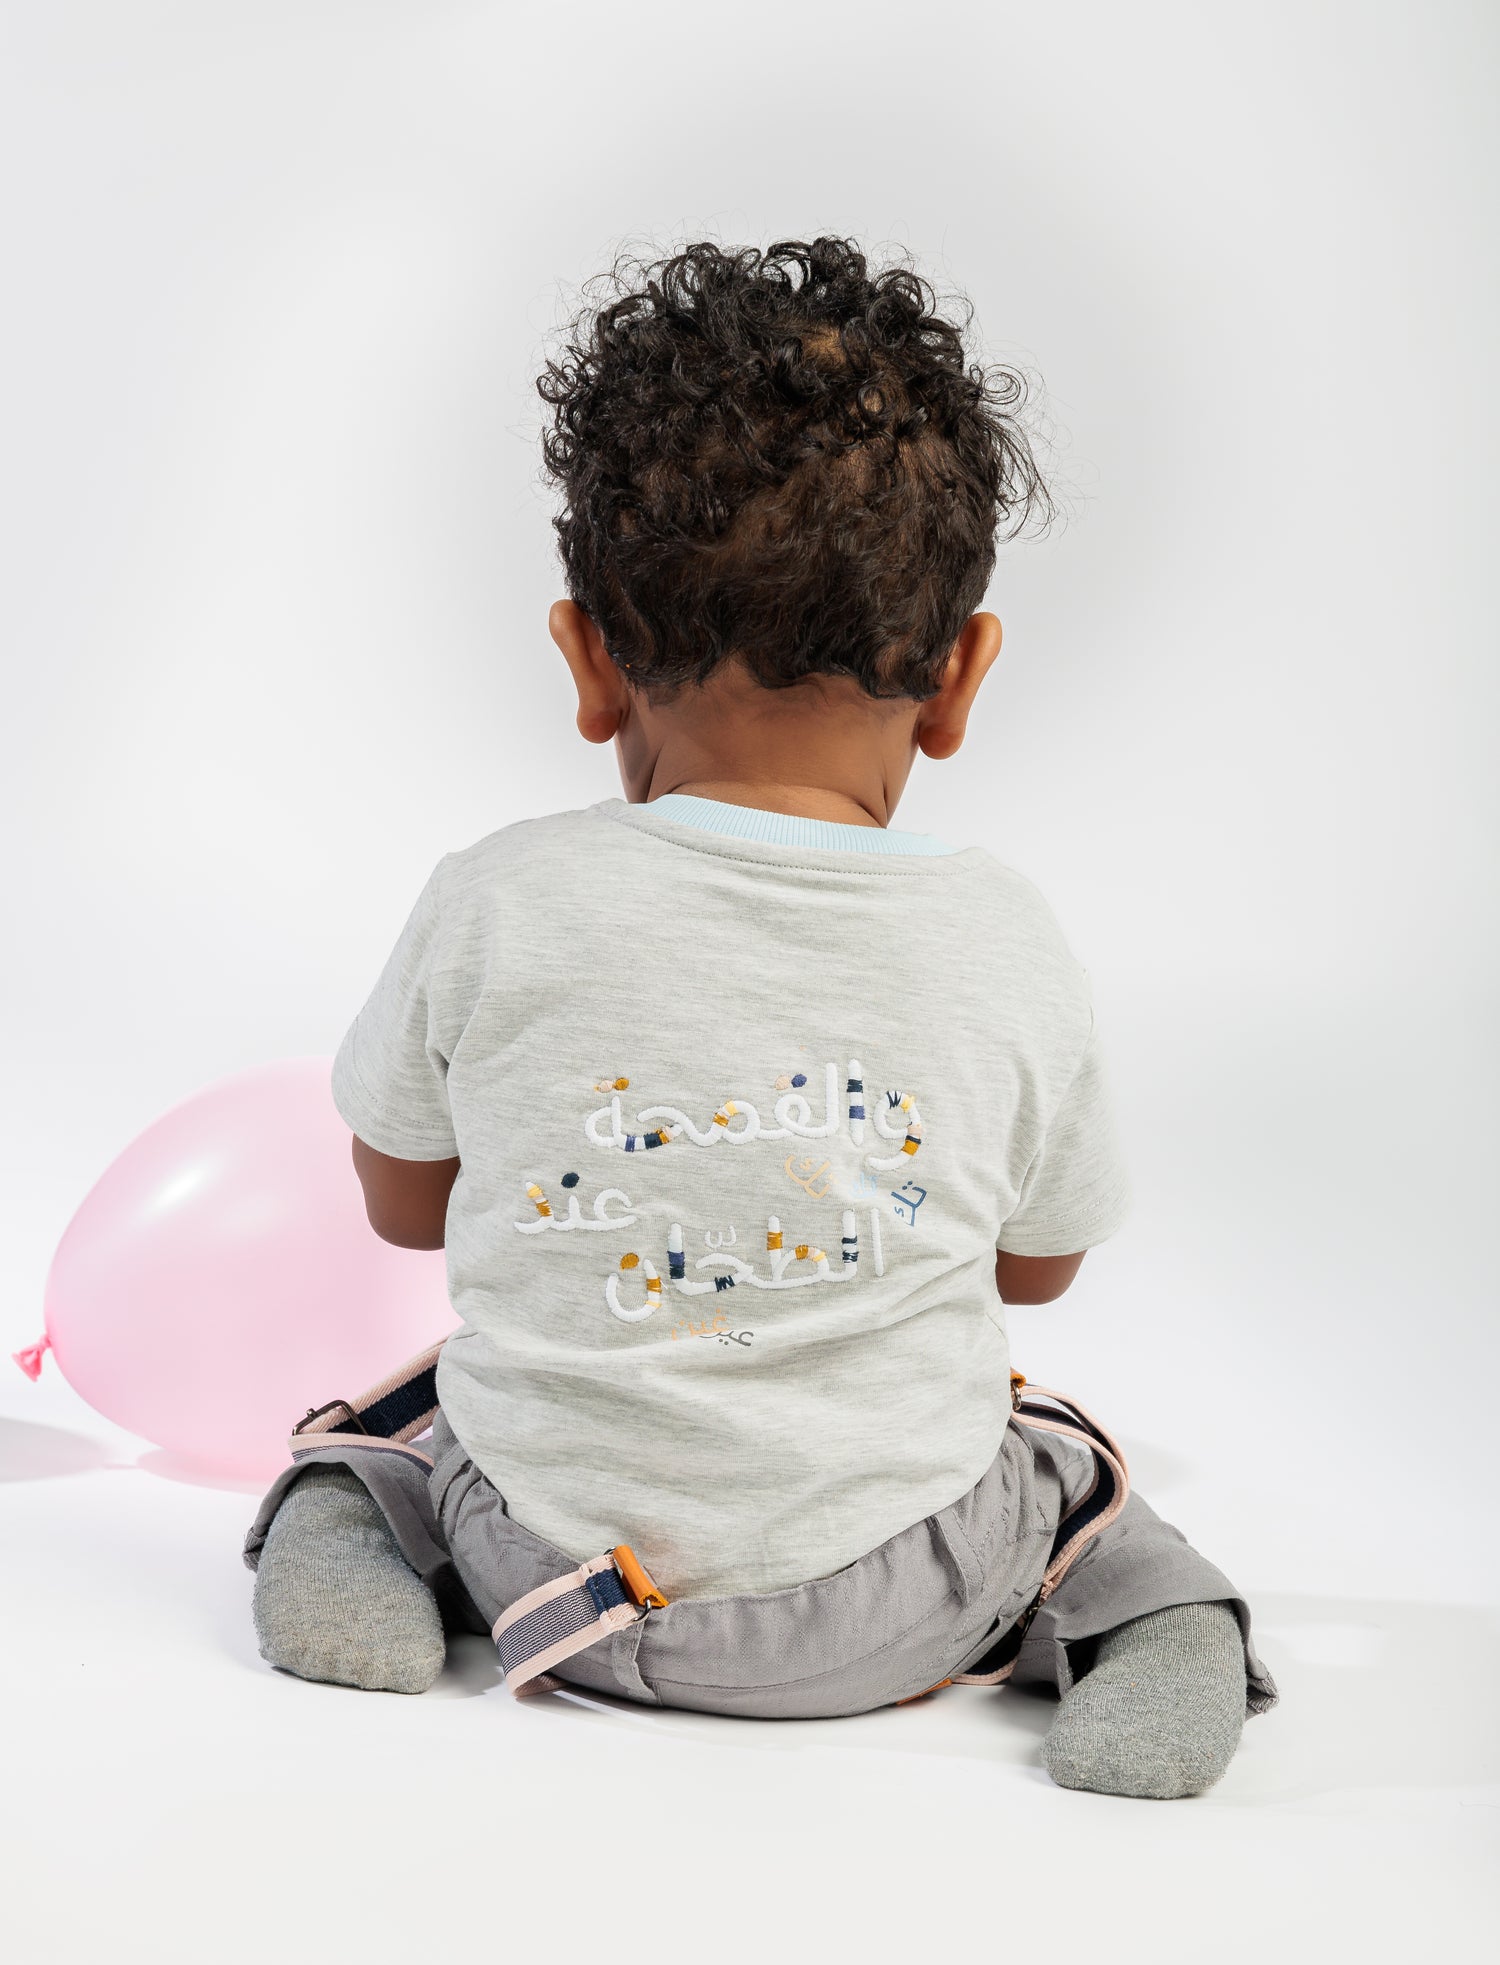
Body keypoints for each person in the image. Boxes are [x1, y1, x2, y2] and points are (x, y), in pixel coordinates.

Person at [243, 237, 1277, 1797]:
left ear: (589, 658)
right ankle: (1160, 1620)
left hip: (548, 1576)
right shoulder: (1005, 937)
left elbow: (401, 1209)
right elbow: (1037, 1268)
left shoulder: (495, 899)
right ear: (960, 677)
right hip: (896, 1603)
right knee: (1063, 1464)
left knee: (407, 1422)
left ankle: (342, 1529)